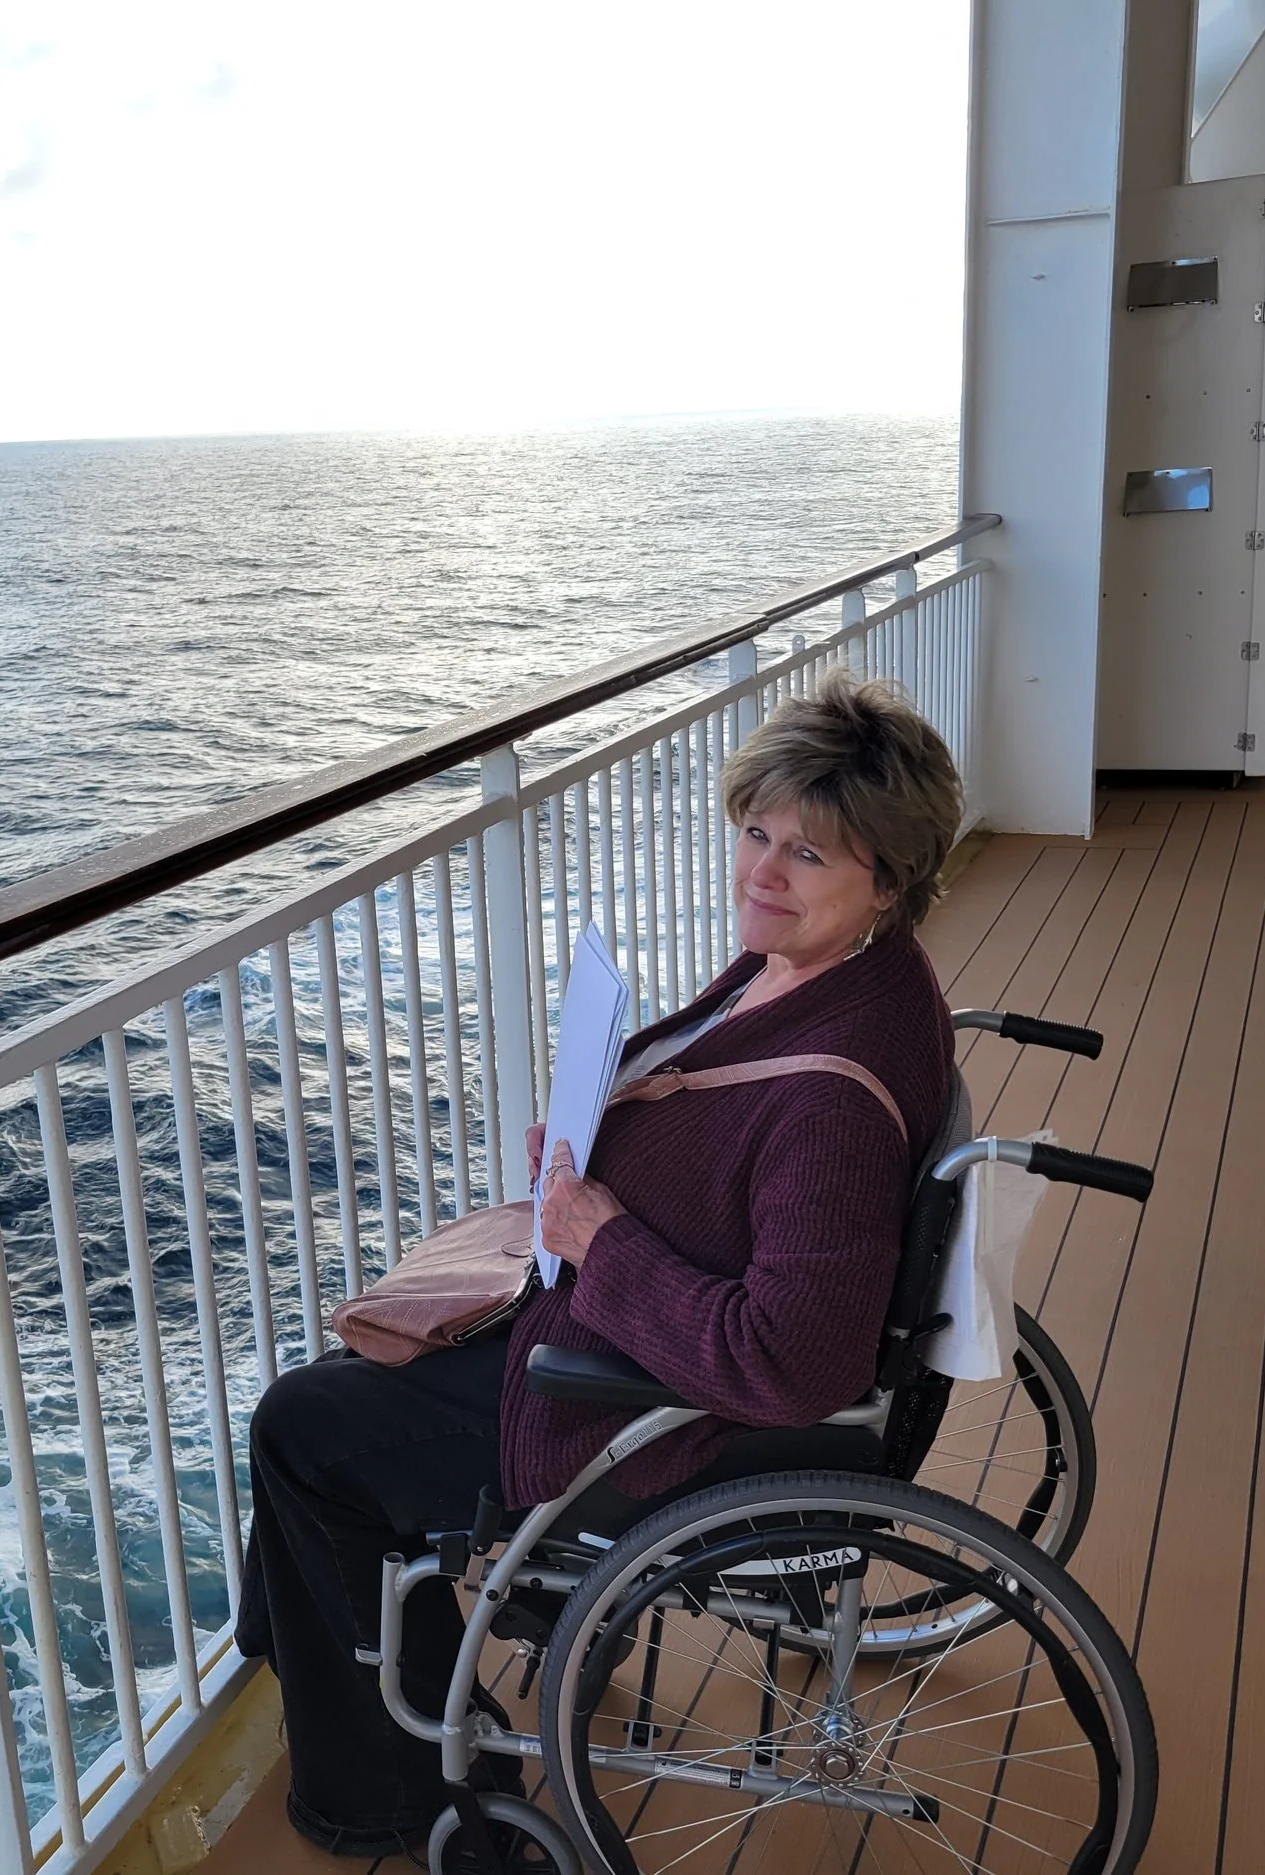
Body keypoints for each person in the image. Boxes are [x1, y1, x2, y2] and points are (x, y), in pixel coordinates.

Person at [233, 669, 961, 1855]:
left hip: (631, 1409)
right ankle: (317, 1644)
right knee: (335, 1401)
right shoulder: (831, 971)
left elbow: (788, 1361)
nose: (761, 873)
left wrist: (596, 1233)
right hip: (616, 1329)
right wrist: (603, 1134)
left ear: (888, 877)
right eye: (754, 833)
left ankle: (381, 1797)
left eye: (808, 857)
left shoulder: (835, 1099)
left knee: (304, 1429)